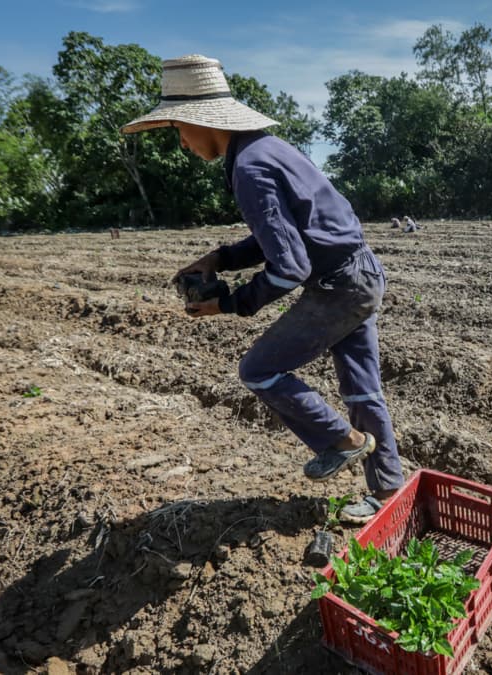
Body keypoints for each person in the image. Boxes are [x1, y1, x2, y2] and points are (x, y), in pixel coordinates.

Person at [121, 55, 404, 524]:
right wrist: (222, 258)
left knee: (258, 370)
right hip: (361, 273)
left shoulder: (249, 169)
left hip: (338, 287)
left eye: (177, 130)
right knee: (362, 391)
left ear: (197, 120)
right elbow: (284, 236)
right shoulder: (267, 148)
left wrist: (231, 302)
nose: (183, 144)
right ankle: (389, 491)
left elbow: (290, 265)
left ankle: (343, 441)